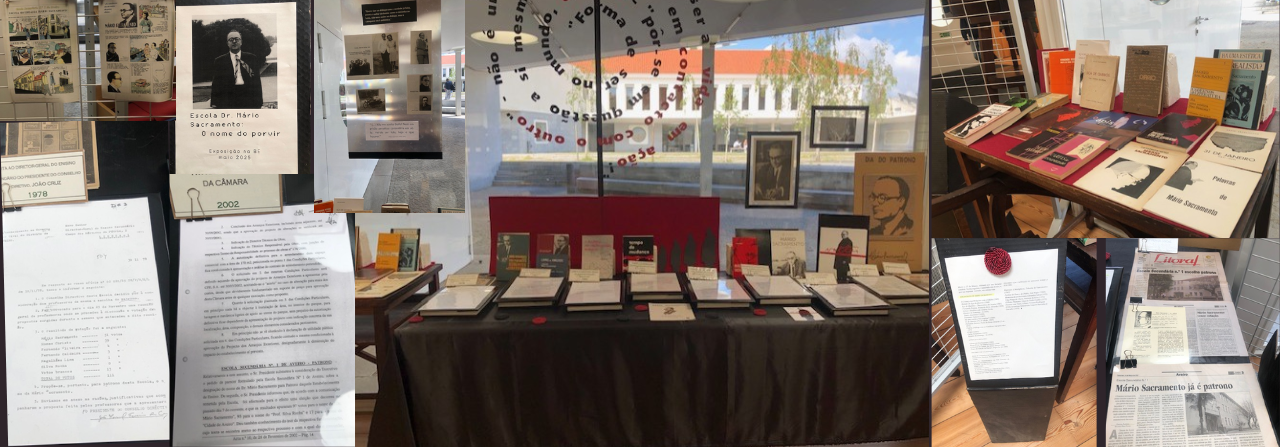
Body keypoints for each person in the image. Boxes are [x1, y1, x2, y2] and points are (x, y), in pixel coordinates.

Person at [210, 30, 264, 109]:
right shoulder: (219, 61)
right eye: (231, 39)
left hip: (248, 97)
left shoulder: (251, 58)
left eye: (237, 39)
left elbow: (256, 81)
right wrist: (215, 102)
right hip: (228, 98)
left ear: (241, 42)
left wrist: (259, 101)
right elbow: (216, 83)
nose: (234, 41)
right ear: (227, 43)